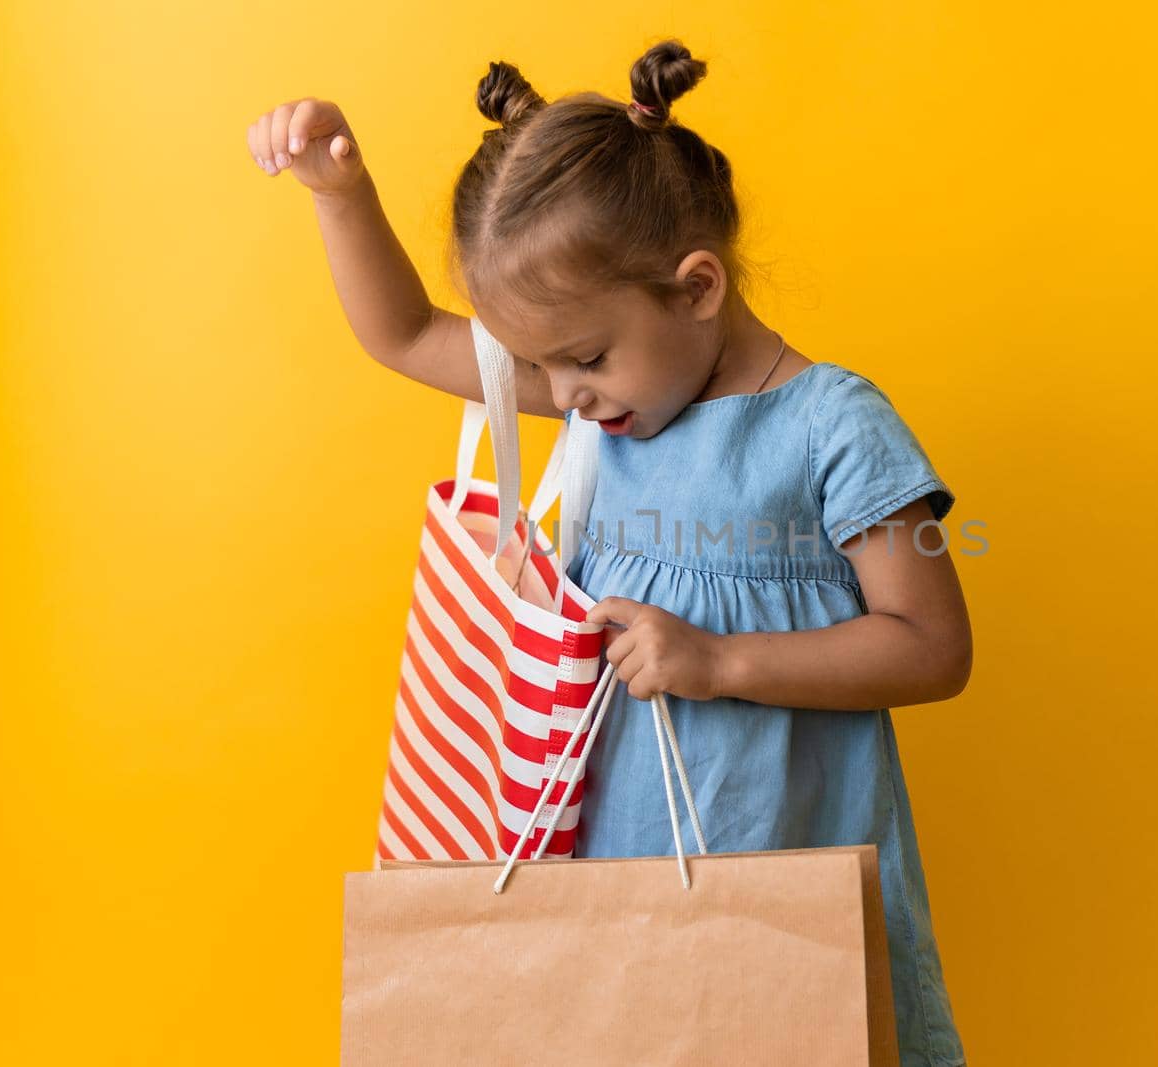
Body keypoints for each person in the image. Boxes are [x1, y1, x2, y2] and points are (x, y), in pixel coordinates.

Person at [247, 38, 972, 1067]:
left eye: (582, 359)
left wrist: (720, 661)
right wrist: (338, 191)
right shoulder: (614, 402)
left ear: (698, 286)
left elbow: (932, 645)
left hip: (786, 875)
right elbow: (405, 334)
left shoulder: (832, 426)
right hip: (608, 873)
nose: (565, 394)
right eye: (542, 366)